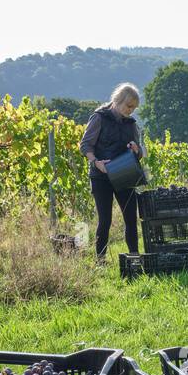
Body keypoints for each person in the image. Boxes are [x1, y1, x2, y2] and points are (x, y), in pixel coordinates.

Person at [80, 83, 145, 263]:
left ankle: (134, 258)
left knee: (131, 218)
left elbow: (139, 153)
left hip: (124, 173)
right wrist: (95, 162)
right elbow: (85, 145)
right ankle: (100, 260)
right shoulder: (99, 118)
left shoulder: (131, 124)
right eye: (128, 106)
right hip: (101, 176)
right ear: (117, 100)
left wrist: (136, 149)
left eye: (134, 108)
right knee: (105, 220)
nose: (131, 111)